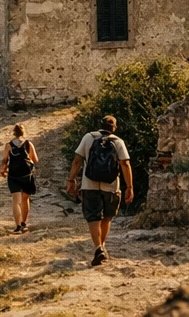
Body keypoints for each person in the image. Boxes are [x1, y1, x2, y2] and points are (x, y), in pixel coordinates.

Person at [66, 114, 133, 266]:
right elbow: (125, 164)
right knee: (107, 217)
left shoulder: (88, 137)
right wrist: (129, 187)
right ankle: (101, 246)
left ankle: (98, 248)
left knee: (93, 216)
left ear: (100, 125)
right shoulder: (118, 142)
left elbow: (77, 161)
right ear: (114, 128)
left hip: (89, 184)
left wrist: (71, 179)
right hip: (111, 185)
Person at [0, 122, 38, 232]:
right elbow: (35, 159)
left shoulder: (9, 145)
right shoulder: (29, 144)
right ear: (23, 132)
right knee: (25, 199)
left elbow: (5, 160)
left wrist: (3, 170)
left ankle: (18, 225)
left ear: (14, 132)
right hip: (26, 175)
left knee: (16, 201)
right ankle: (24, 223)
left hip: (13, 175)